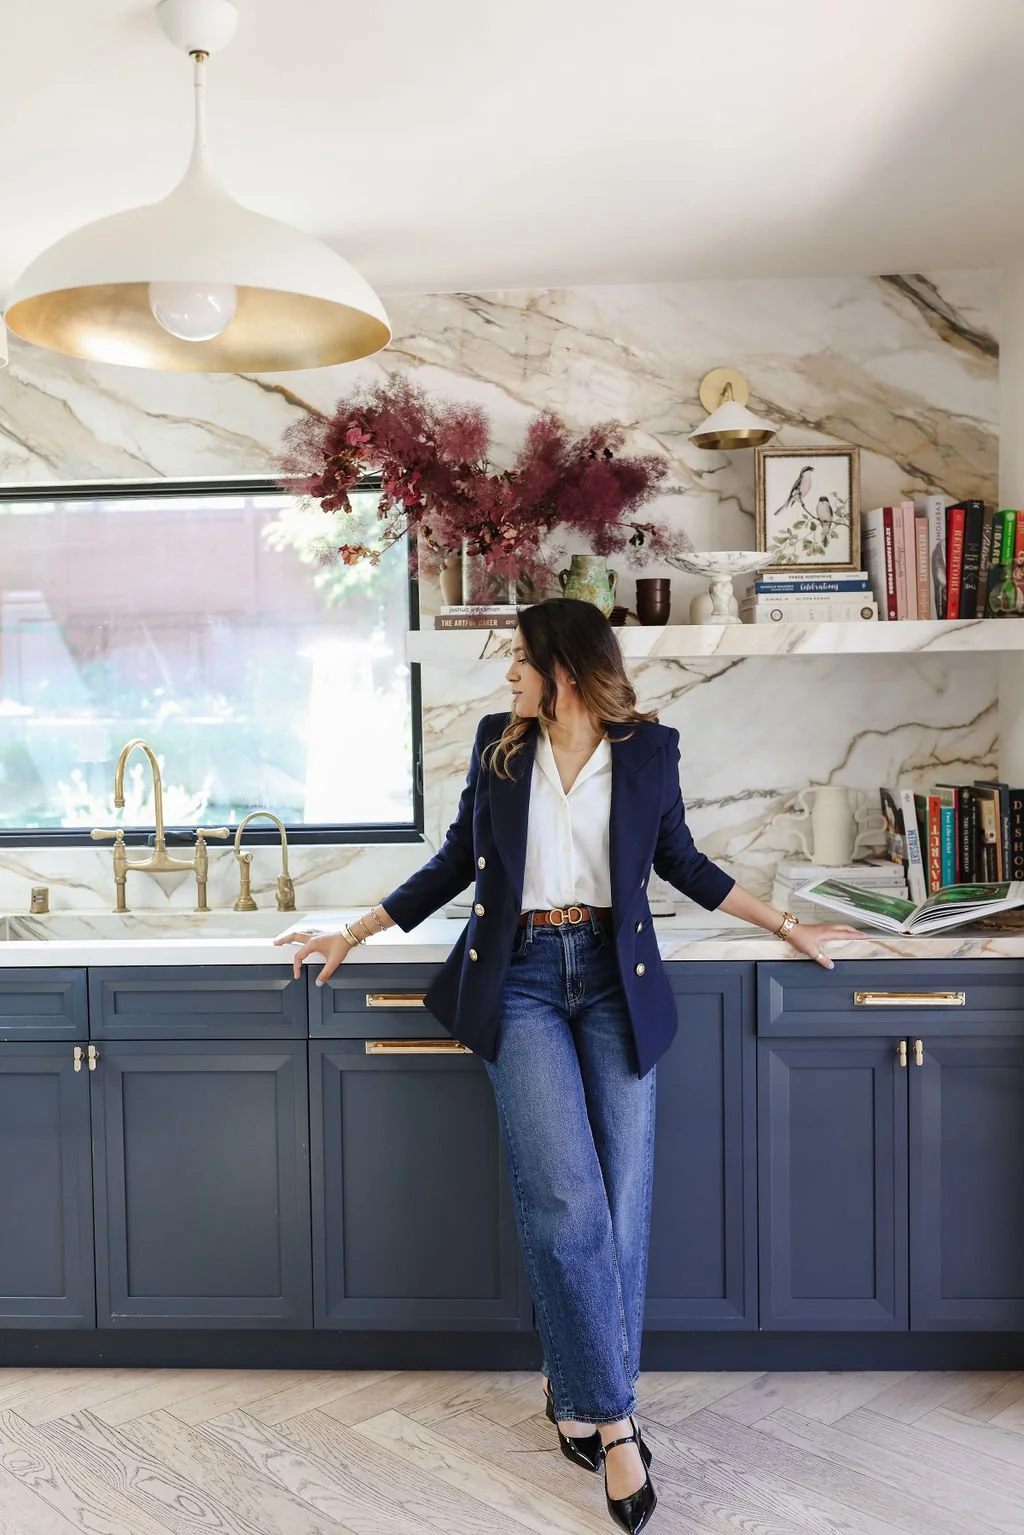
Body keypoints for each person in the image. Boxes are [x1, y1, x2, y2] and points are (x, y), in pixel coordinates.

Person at [275, 597, 858, 1534]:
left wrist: (789, 923)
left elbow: (685, 863)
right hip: (524, 982)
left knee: (620, 1200)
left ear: (567, 669)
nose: (507, 673)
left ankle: (573, 1388)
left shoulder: (650, 750)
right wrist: (351, 928)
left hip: (615, 981)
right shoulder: (499, 747)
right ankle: (618, 1425)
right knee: (566, 1199)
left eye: (519, 658)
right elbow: (453, 864)